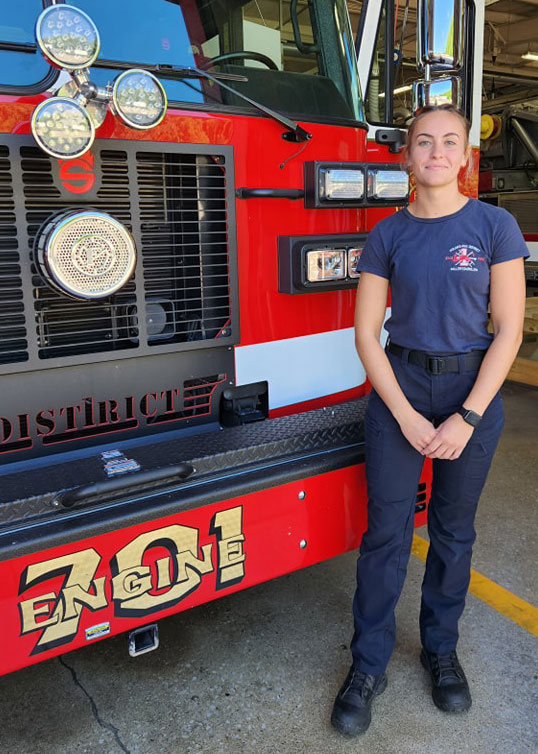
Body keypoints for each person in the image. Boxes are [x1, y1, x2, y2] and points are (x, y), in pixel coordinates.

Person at [331, 104, 529, 737]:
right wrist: (405, 413)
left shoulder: (495, 225)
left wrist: (468, 416)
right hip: (402, 383)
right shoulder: (388, 233)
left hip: (473, 386)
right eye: (424, 142)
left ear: (466, 156)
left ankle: (441, 652)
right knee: (385, 534)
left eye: (450, 142)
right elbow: (366, 335)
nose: (437, 152)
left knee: (452, 532)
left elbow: (509, 331)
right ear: (408, 156)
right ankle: (368, 665)